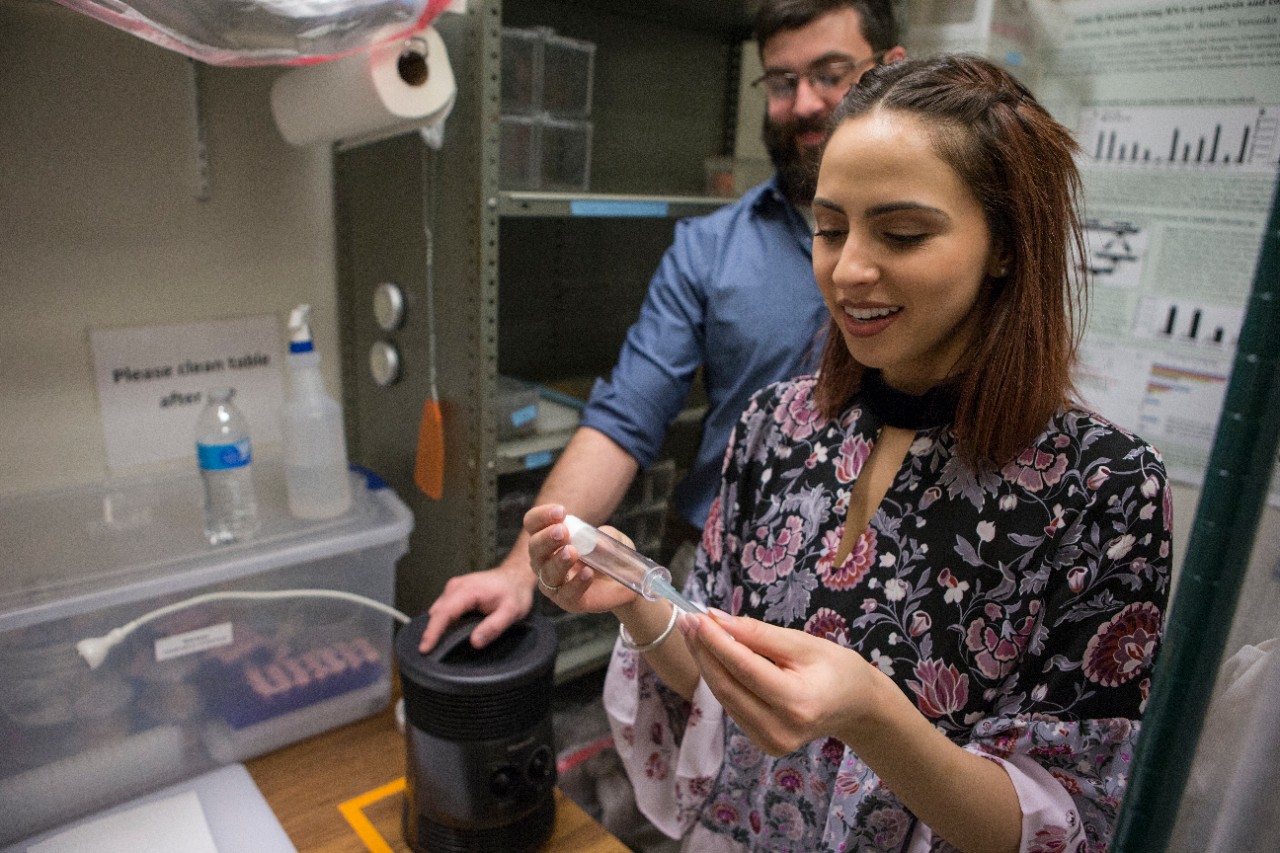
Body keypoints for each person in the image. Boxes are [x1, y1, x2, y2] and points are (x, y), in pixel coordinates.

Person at [527, 55, 1173, 852]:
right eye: (829, 228)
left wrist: (872, 713)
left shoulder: (1104, 488)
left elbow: (1062, 822)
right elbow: (718, 688)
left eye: (901, 232)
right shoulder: (776, 426)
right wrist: (632, 593)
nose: (850, 269)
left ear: (1004, 244)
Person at [420, 0, 906, 653]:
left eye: (831, 73)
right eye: (782, 82)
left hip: (896, 585)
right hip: (733, 573)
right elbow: (625, 417)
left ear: (889, 70)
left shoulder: (936, 252)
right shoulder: (709, 249)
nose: (804, 103)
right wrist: (519, 569)